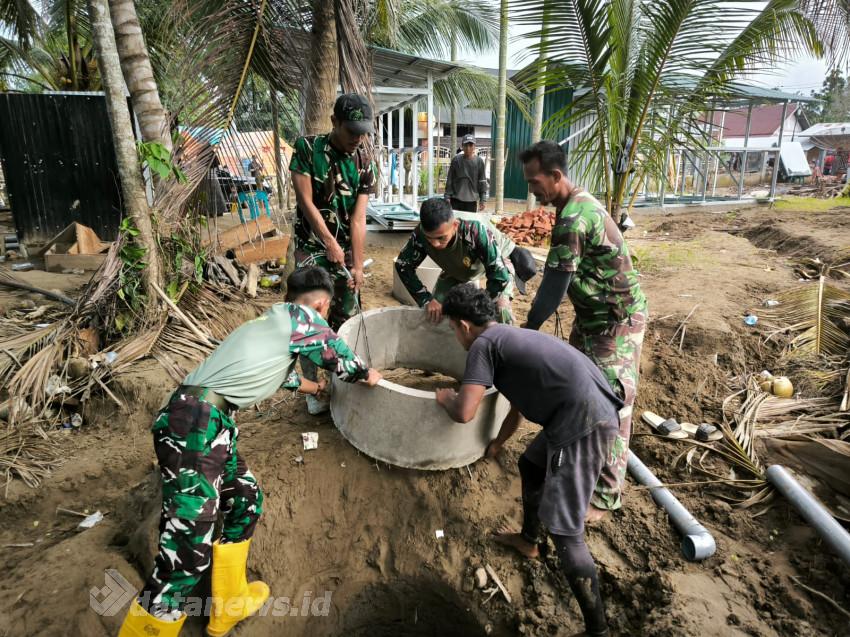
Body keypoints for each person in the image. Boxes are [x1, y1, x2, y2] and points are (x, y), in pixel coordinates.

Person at [117, 267, 382, 637]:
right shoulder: (301, 318)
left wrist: (313, 389)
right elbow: (342, 359)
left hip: (208, 425)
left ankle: (229, 605)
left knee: (245, 498)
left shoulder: (270, 324)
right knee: (186, 555)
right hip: (194, 426)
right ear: (321, 304)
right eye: (324, 311)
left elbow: (282, 375)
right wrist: (371, 375)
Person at [435, 284, 620, 637]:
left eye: (452, 330)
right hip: (585, 410)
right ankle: (530, 541)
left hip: (580, 424)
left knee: (566, 531)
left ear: (463, 325)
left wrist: (446, 398)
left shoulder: (482, 346)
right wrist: (499, 444)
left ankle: (598, 629)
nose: (455, 336)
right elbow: (517, 406)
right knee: (531, 465)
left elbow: (464, 412)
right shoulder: (508, 337)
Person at [519, 140, 647, 522]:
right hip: (591, 319)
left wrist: (528, 329)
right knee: (578, 392)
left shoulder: (574, 217)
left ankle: (606, 497)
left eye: (534, 180)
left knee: (613, 402)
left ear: (556, 176)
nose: (531, 188)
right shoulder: (573, 205)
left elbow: (553, 289)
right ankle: (575, 458)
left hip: (617, 323)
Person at [290, 93, 376, 414]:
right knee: (311, 318)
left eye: (363, 131)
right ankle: (313, 390)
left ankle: (339, 378)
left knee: (346, 312)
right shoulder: (306, 149)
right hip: (312, 248)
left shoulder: (365, 161)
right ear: (334, 123)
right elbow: (305, 202)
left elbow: (358, 218)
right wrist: (328, 240)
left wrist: (356, 265)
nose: (358, 138)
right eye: (352, 130)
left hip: (343, 251)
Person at [395, 197, 528, 325]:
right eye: (430, 239)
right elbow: (403, 265)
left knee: (500, 312)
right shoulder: (420, 235)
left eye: (441, 238)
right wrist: (426, 300)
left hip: (498, 265)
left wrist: (481, 308)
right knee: (436, 313)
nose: (435, 244)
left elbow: (499, 277)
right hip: (457, 269)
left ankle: (502, 345)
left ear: (455, 225)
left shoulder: (475, 231)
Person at [445, 134, 489, 212]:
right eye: (466, 145)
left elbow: (482, 181)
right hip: (456, 199)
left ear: (474, 146)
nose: (468, 148)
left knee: (470, 223)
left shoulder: (479, 162)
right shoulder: (456, 160)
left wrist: (483, 199)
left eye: (470, 145)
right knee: (456, 223)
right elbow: (450, 179)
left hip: (471, 201)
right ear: (462, 146)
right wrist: (447, 197)